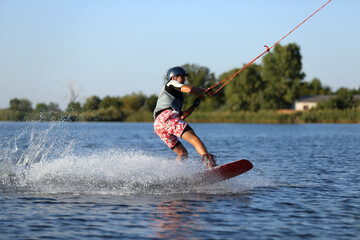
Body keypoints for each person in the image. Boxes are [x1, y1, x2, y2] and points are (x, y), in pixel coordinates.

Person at [153, 66, 218, 168]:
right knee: (194, 139)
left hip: (159, 125)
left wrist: (194, 105)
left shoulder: (175, 96)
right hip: (167, 117)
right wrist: (204, 90)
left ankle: (173, 175)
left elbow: (182, 116)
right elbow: (189, 89)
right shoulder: (171, 83)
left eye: (184, 77)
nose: (184, 79)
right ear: (173, 77)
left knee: (182, 153)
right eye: (181, 77)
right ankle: (210, 164)